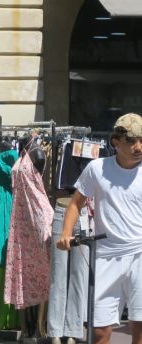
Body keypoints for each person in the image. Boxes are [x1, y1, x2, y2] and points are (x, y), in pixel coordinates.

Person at [57, 113, 142, 344]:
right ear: (115, 142)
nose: (138, 147)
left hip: (139, 254)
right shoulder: (97, 168)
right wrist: (66, 234)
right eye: (131, 141)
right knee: (100, 332)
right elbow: (75, 203)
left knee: (139, 327)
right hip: (106, 255)